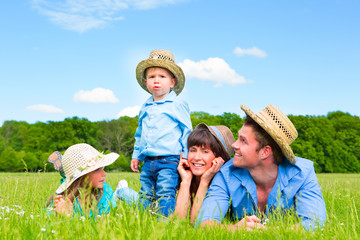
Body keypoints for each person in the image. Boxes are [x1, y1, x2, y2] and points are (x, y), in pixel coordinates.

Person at [198, 104, 326, 231]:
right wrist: (234, 229)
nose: (234, 145)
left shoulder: (303, 172)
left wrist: (270, 232)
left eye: (243, 140)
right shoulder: (227, 172)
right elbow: (204, 223)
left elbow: (315, 223)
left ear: (265, 152)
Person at [130, 49, 192, 216]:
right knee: (145, 192)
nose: (156, 81)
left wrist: (185, 155)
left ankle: (163, 222)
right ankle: (142, 221)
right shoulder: (145, 106)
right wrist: (137, 155)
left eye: (162, 76)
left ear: (172, 82)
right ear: (145, 82)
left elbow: (187, 131)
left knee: (165, 192)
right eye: (152, 77)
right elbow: (140, 133)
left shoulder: (177, 104)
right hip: (148, 160)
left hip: (169, 159)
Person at [174, 123, 235, 222]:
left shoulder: (222, 186)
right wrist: (185, 181)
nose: (197, 158)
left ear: (219, 158)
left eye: (205, 151)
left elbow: (196, 222)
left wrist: (204, 181)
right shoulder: (177, 176)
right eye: (192, 150)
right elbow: (178, 222)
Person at [47, 143, 119, 216]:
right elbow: (47, 220)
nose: (104, 173)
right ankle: (65, 172)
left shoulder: (104, 191)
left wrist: (70, 216)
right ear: (82, 176)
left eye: (102, 167)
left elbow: (103, 224)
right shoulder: (63, 201)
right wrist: (61, 215)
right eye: (97, 169)